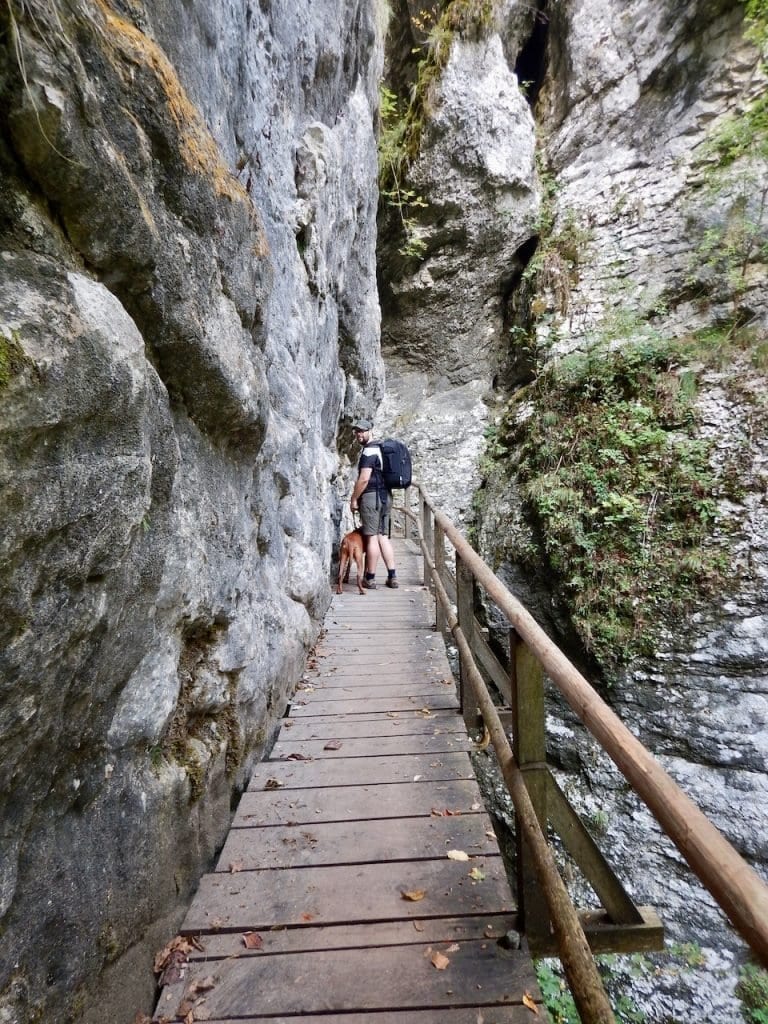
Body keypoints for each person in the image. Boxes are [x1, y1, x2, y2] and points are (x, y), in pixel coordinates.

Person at [349, 419, 398, 589]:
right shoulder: (382, 449)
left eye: (362, 431)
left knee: (371, 538)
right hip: (386, 498)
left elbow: (363, 480)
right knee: (382, 536)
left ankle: (369, 578)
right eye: (356, 431)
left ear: (370, 430)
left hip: (371, 497)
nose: (358, 434)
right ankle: (392, 576)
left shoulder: (369, 451)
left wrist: (354, 498)